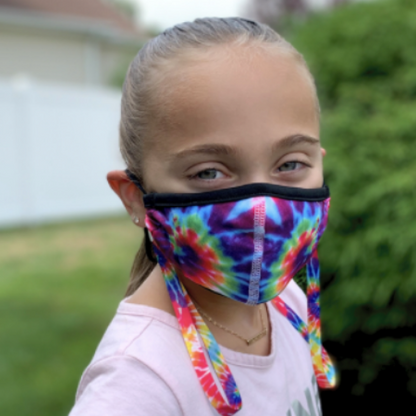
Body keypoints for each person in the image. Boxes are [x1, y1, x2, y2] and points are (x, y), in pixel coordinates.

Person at [69, 17, 336, 416]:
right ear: (136, 198)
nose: (261, 211)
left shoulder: (288, 302)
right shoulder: (137, 384)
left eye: (290, 163)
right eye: (209, 172)